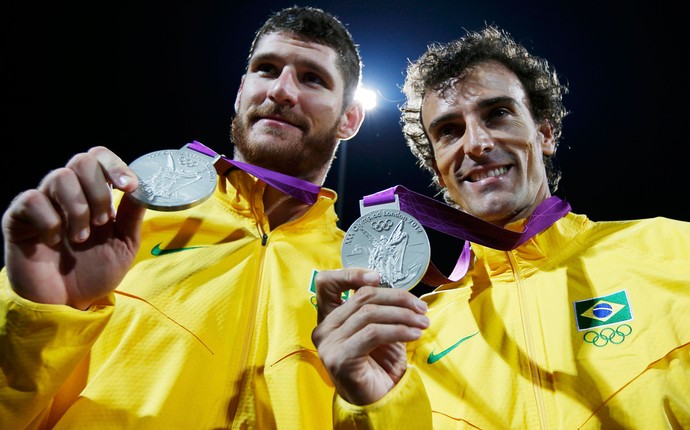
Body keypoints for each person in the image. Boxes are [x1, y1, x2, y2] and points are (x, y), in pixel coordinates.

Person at [0, 6, 365, 429]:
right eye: (267, 69)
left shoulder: (360, 280)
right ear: (241, 90)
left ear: (349, 119)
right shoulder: (116, 220)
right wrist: (37, 313)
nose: (282, 90)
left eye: (312, 78)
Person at [311, 24, 690, 429]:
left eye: (498, 114)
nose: (475, 143)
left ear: (545, 133)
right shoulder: (413, 335)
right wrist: (373, 408)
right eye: (449, 131)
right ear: (439, 172)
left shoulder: (672, 250)